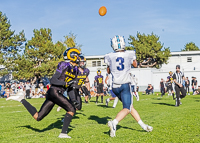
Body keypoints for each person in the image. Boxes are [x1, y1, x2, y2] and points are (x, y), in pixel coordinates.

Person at [6, 47, 81, 138]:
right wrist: (65, 83)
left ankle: (21, 99)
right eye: (77, 55)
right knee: (71, 109)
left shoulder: (76, 70)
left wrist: (73, 99)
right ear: (72, 55)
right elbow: (53, 80)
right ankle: (63, 133)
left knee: (38, 117)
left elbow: (70, 88)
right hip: (55, 91)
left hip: (56, 93)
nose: (79, 57)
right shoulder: (64, 65)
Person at [104, 35, 153, 137]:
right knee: (127, 108)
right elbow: (135, 65)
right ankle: (114, 123)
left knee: (130, 107)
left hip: (115, 86)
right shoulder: (130, 54)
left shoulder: (109, 56)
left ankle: (143, 126)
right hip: (125, 85)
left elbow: (108, 70)